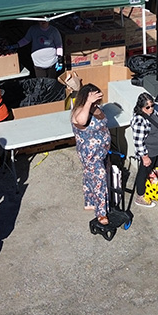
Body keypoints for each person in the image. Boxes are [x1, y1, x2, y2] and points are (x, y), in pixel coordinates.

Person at [70, 84, 111, 224]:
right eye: (95, 98)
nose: (97, 101)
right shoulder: (80, 111)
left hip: (102, 151)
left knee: (89, 175)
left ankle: (90, 200)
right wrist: (88, 102)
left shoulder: (96, 108)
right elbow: (81, 121)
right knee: (100, 177)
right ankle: (101, 213)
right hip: (90, 155)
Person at [131, 92, 158, 208]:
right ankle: (140, 196)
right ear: (141, 107)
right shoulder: (140, 121)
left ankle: (151, 191)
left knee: (153, 173)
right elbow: (138, 142)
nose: (151, 109)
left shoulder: (155, 113)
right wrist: (145, 157)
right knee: (143, 174)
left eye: (152, 105)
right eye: (147, 107)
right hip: (149, 153)